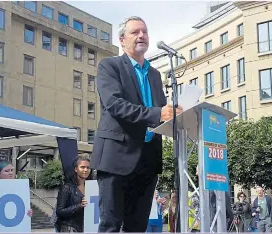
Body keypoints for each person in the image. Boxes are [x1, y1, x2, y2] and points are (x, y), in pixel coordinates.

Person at [90, 16, 182, 232]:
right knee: (111, 225)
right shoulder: (109, 66)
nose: (142, 35)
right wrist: (159, 113)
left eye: (145, 31)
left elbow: (159, 112)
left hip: (147, 160)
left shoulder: (155, 74)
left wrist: (174, 114)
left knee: (137, 226)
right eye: (135, 32)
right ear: (122, 40)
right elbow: (114, 104)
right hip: (116, 156)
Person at [55, 156, 93, 232]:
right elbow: (59, 211)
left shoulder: (93, 187)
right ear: (76, 169)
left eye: (88, 167)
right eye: (82, 167)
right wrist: (79, 206)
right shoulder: (67, 188)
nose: (86, 170)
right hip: (70, 228)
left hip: (88, 228)